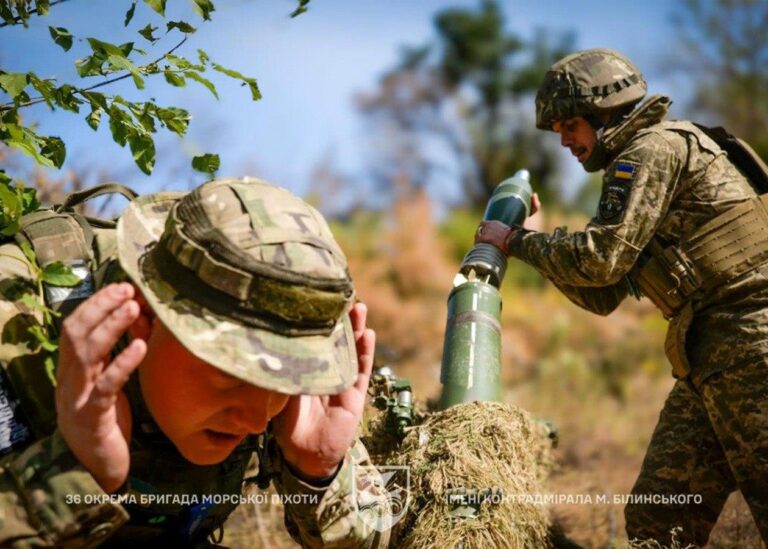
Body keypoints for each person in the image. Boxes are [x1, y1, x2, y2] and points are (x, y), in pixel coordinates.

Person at [475, 48, 768, 546]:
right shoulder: (645, 159)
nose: (565, 141)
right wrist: (537, 239)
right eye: (558, 131)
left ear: (605, 112)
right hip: (711, 354)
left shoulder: (650, 151)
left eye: (570, 125)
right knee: (659, 521)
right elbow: (602, 294)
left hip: (750, 345)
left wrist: (514, 241)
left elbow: (599, 260)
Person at [0, 177, 391, 547]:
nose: (256, 419)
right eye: (231, 375)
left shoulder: (289, 361)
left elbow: (378, 533)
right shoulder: (16, 317)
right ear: (144, 319)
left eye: (281, 387)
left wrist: (319, 472)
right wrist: (75, 475)